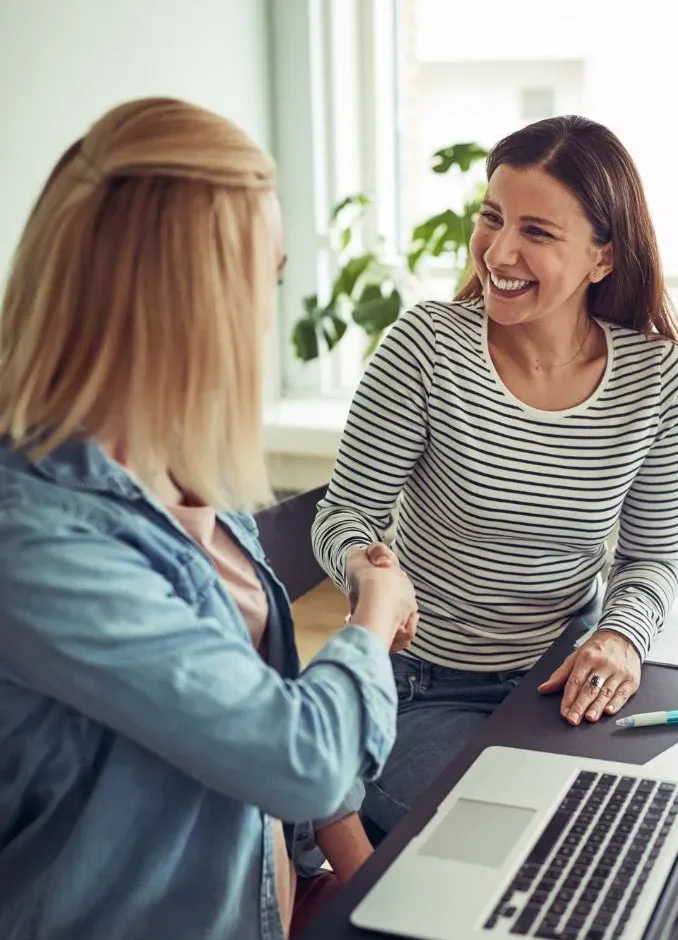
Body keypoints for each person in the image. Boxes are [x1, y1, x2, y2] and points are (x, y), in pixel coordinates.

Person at [0, 97, 418, 940]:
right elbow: (300, 757)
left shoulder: (183, 469)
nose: (267, 314)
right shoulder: (38, 545)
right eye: (261, 281)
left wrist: (374, 892)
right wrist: (371, 622)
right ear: (187, 305)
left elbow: (266, 717)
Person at [312, 114, 678, 837]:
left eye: (538, 232)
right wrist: (368, 576)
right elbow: (344, 517)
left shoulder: (657, 381)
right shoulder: (427, 348)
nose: (499, 250)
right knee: (520, 835)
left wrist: (619, 637)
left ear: (604, 259)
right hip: (426, 688)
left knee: (658, 815)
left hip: (563, 676)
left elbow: (651, 557)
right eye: (492, 218)